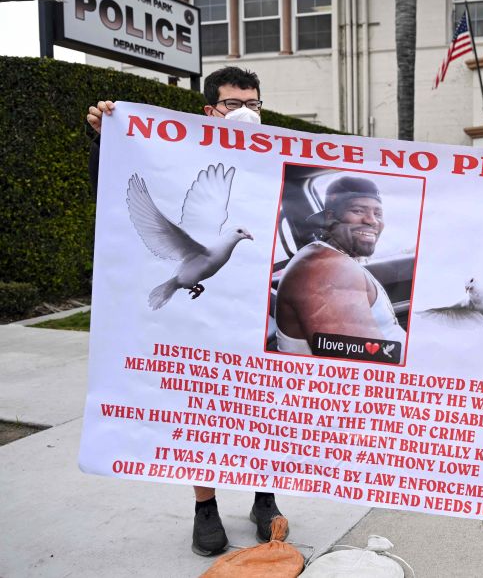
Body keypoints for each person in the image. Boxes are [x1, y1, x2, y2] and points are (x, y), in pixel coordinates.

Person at [86, 66, 284, 557]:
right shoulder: (176, 156)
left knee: (262, 409)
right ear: (207, 111)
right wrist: (107, 139)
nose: (243, 113)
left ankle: (264, 498)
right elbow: (120, 196)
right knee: (200, 407)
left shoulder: (277, 157)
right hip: (198, 320)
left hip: (256, 312)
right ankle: (206, 507)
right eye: (230, 104)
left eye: (252, 104)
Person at [274, 175, 406, 355]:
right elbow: (360, 366)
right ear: (330, 217)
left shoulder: (335, 260)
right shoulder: (326, 268)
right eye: (358, 211)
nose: (372, 220)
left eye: (377, 213)